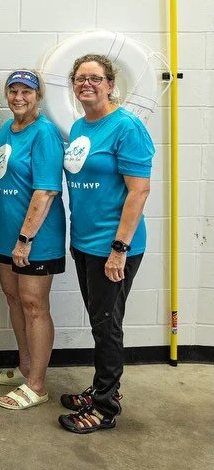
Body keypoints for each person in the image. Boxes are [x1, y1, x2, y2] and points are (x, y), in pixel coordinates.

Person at [58, 54, 154, 433]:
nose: (87, 84)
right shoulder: (80, 125)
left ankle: (104, 407)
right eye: (80, 78)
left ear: (110, 85)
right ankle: (102, 388)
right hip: (85, 244)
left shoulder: (126, 127)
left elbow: (139, 191)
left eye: (95, 78)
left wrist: (119, 249)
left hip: (114, 248)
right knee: (101, 323)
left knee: (107, 326)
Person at [0, 69, 65, 410]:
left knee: (34, 305)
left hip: (34, 239)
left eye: (26, 91)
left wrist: (25, 238)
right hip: (7, 235)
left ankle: (37, 384)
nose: (19, 97)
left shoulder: (44, 133)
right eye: (13, 91)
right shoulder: (7, 128)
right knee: (14, 300)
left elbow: (46, 190)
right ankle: (24, 367)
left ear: (38, 96)